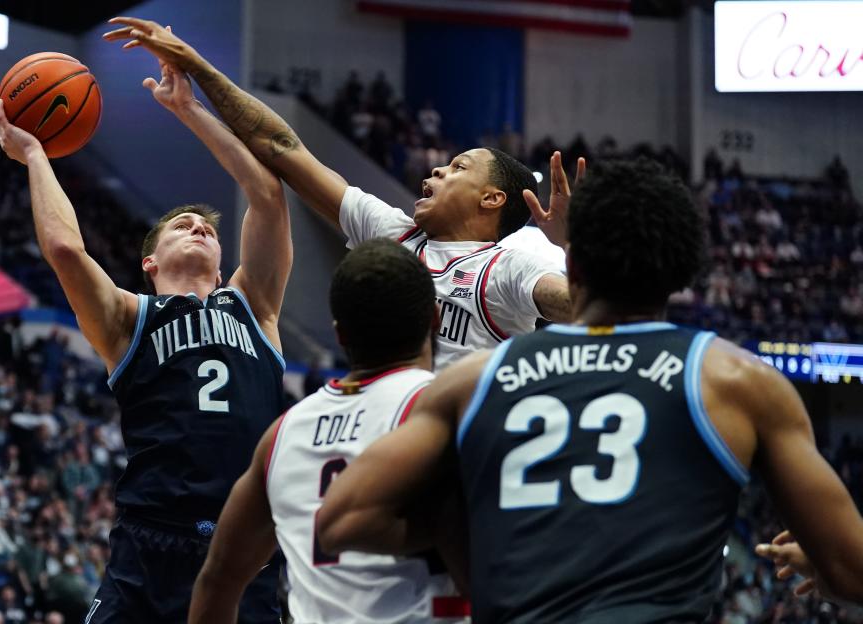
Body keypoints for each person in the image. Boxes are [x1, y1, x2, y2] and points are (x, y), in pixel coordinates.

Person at [316, 160, 863, 621]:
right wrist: (825, 565)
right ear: (682, 274)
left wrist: (479, 547)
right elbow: (850, 571)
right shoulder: (734, 380)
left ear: (571, 262)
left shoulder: (476, 380)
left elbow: (342, 520)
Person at [0, 51, 292, 623]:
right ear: (150, 262)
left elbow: (268, 195)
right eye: (183, 224)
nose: (200, 226)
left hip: (244, 548)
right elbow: (63, 249)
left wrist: (189, 109)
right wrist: (33, 153)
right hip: (150, 544)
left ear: (225, 260)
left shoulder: (256, 306)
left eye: (207, 227)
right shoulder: (129, 318)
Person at [103, 18, 575, 370]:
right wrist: (199, 67)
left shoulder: (508, 268)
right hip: (380, 438)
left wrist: (573, 248)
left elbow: (581, 306)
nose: (436, 167)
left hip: (454, 459)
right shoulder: (395, 232)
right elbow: (282, 147)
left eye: (458, 167)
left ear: (491, 199)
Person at [188, 239, 464, 624]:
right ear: (434, 318)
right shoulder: (444, 409)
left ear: (340, 334)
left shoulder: (283, 433)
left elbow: (217, 581)